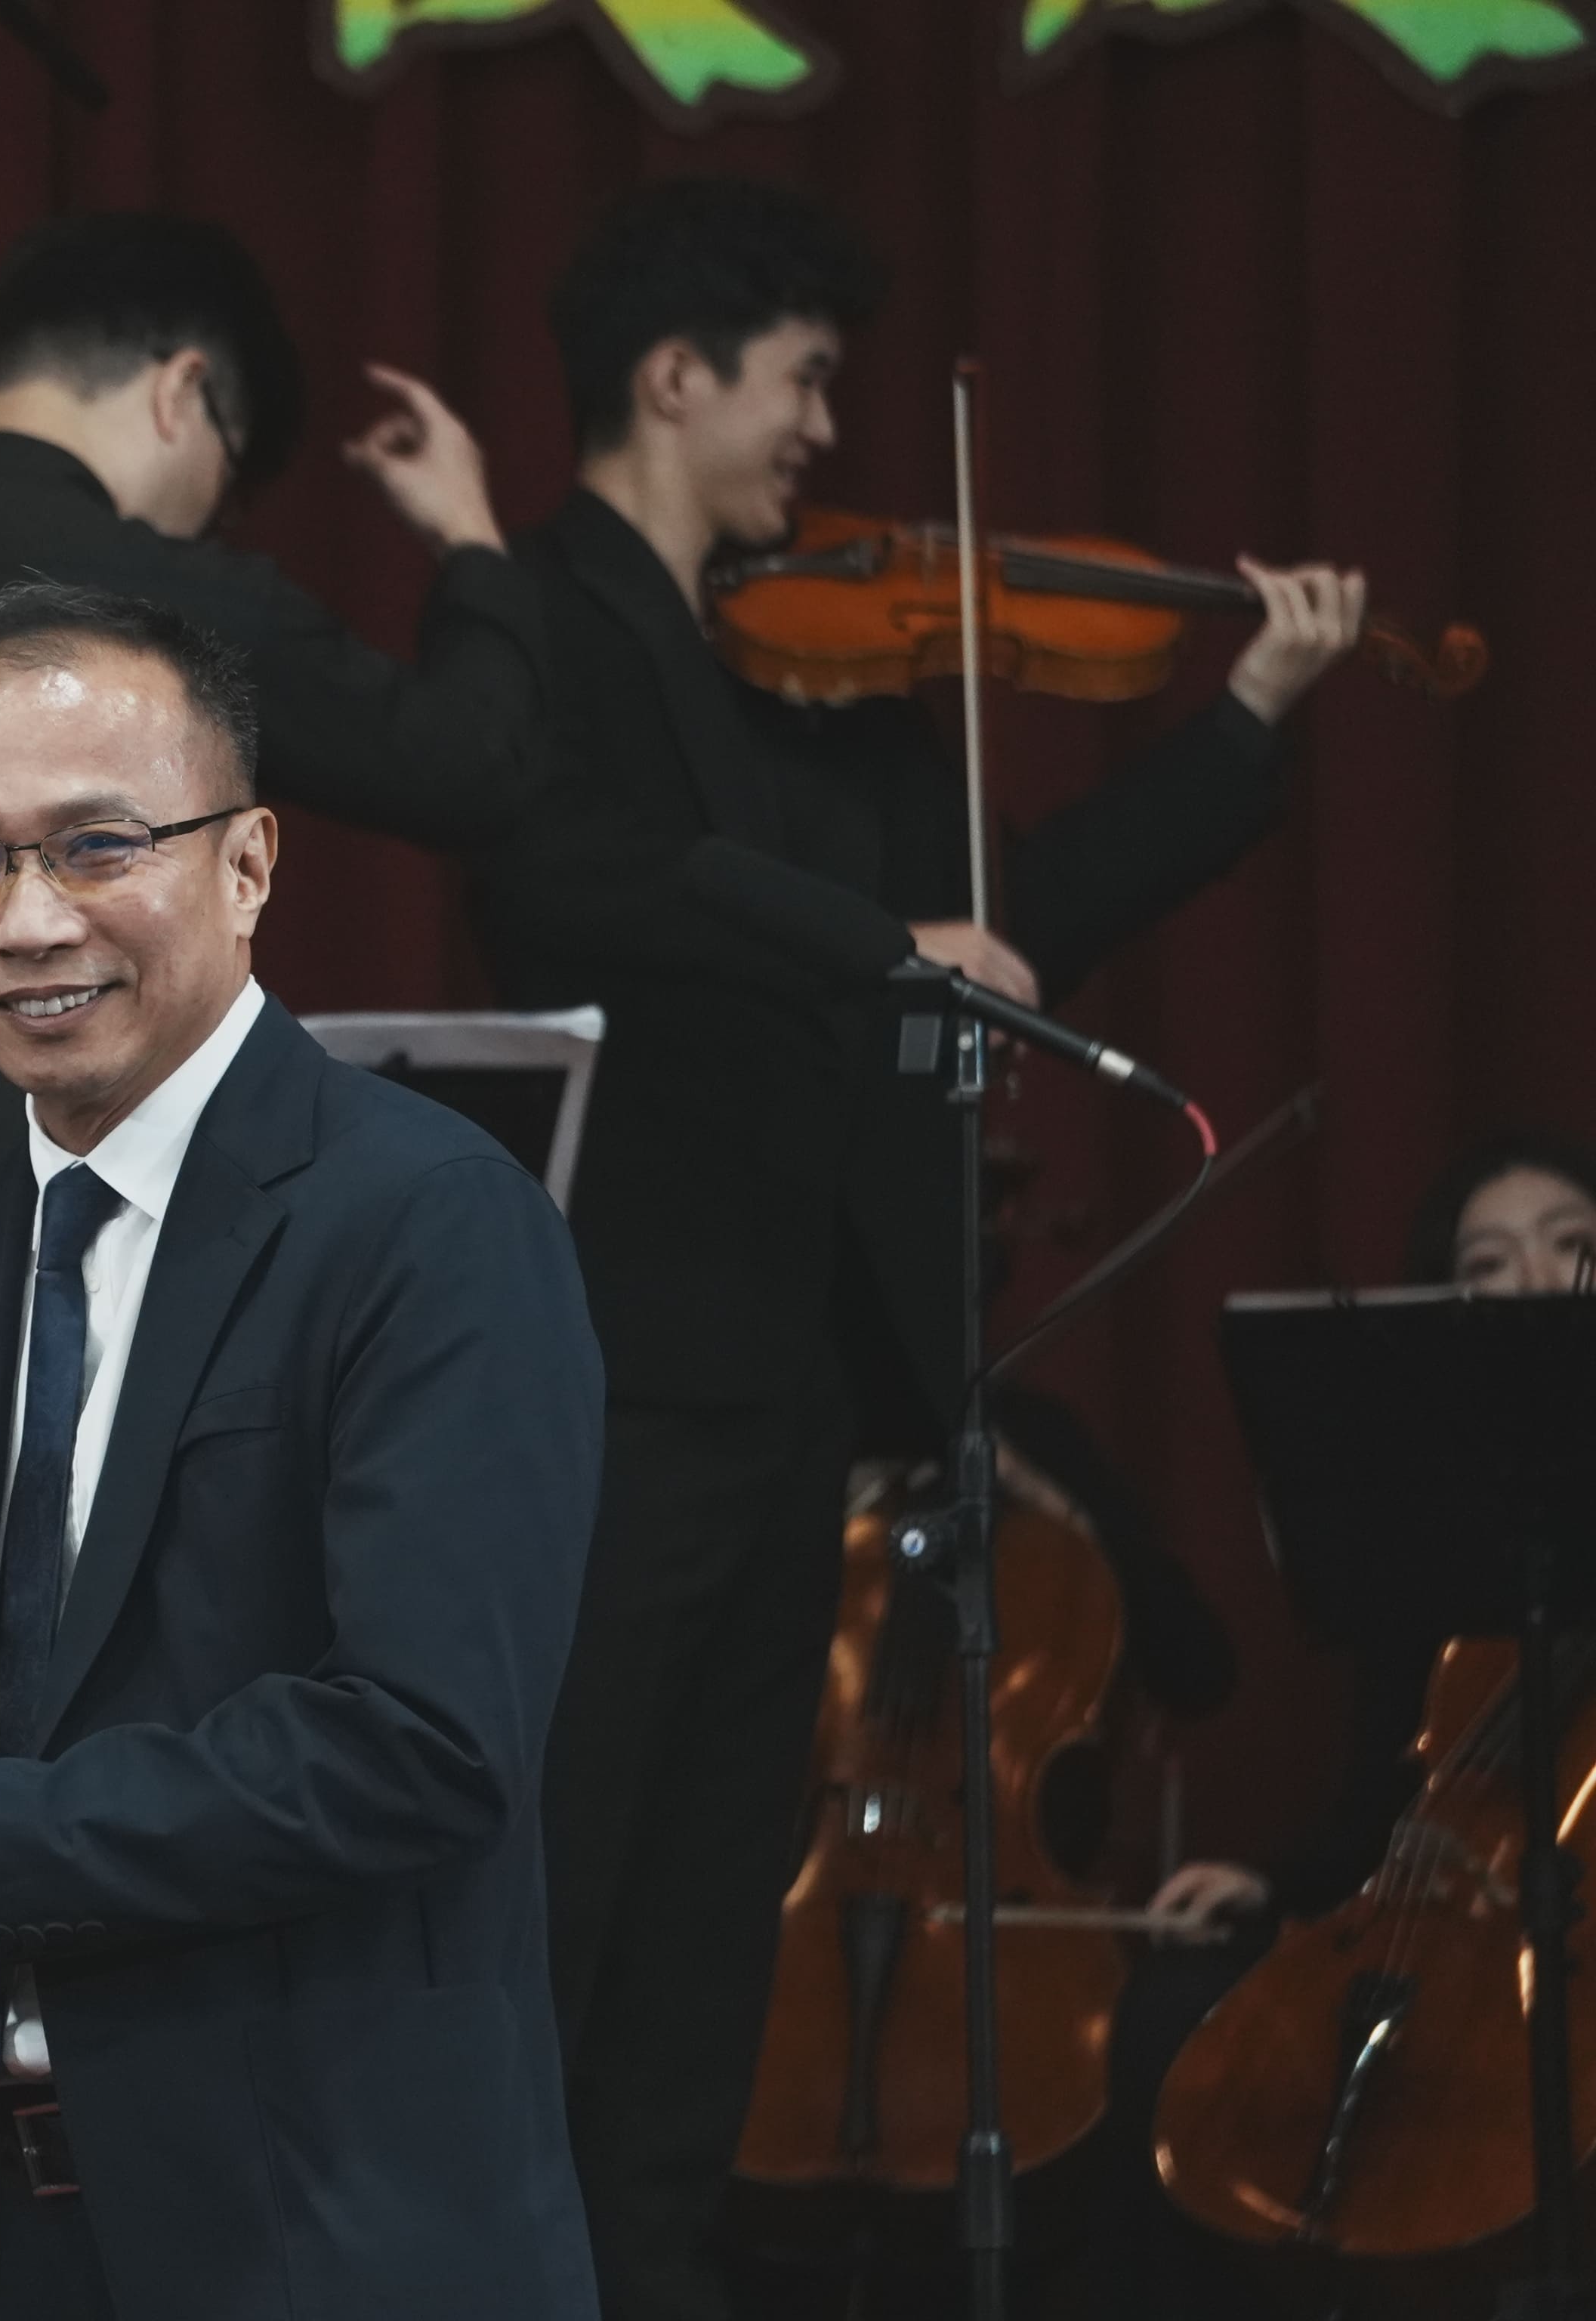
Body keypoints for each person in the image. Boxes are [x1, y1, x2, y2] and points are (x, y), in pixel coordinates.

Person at [458, 176, 1377, 2321]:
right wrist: (872, 938)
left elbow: (1008, 918)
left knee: (706, 1924)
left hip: (802, 1372)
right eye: (800, 383)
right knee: (565, 1891)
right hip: (617, 1360)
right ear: (673, 377)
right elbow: (569, 884)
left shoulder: (827, 681)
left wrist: (1247, 718)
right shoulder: (538, 622)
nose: (821, 432)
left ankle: (648, 2278)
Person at [0, 210, 547, 2308]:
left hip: (325, 2234)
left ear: (249, 862)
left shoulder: (430, 1224)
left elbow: (422, 1746)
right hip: (2, 2224)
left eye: (98, 847)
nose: (26, 918)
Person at [1037, 1130, 1596, 2321]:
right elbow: (1384, 1810)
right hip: (1443, 1926)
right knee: (1171, 2017)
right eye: (1488, 1264)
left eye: (1571, 1247)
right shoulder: (1434, 1523)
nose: (1535, 1282)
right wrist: (1268, 1882)